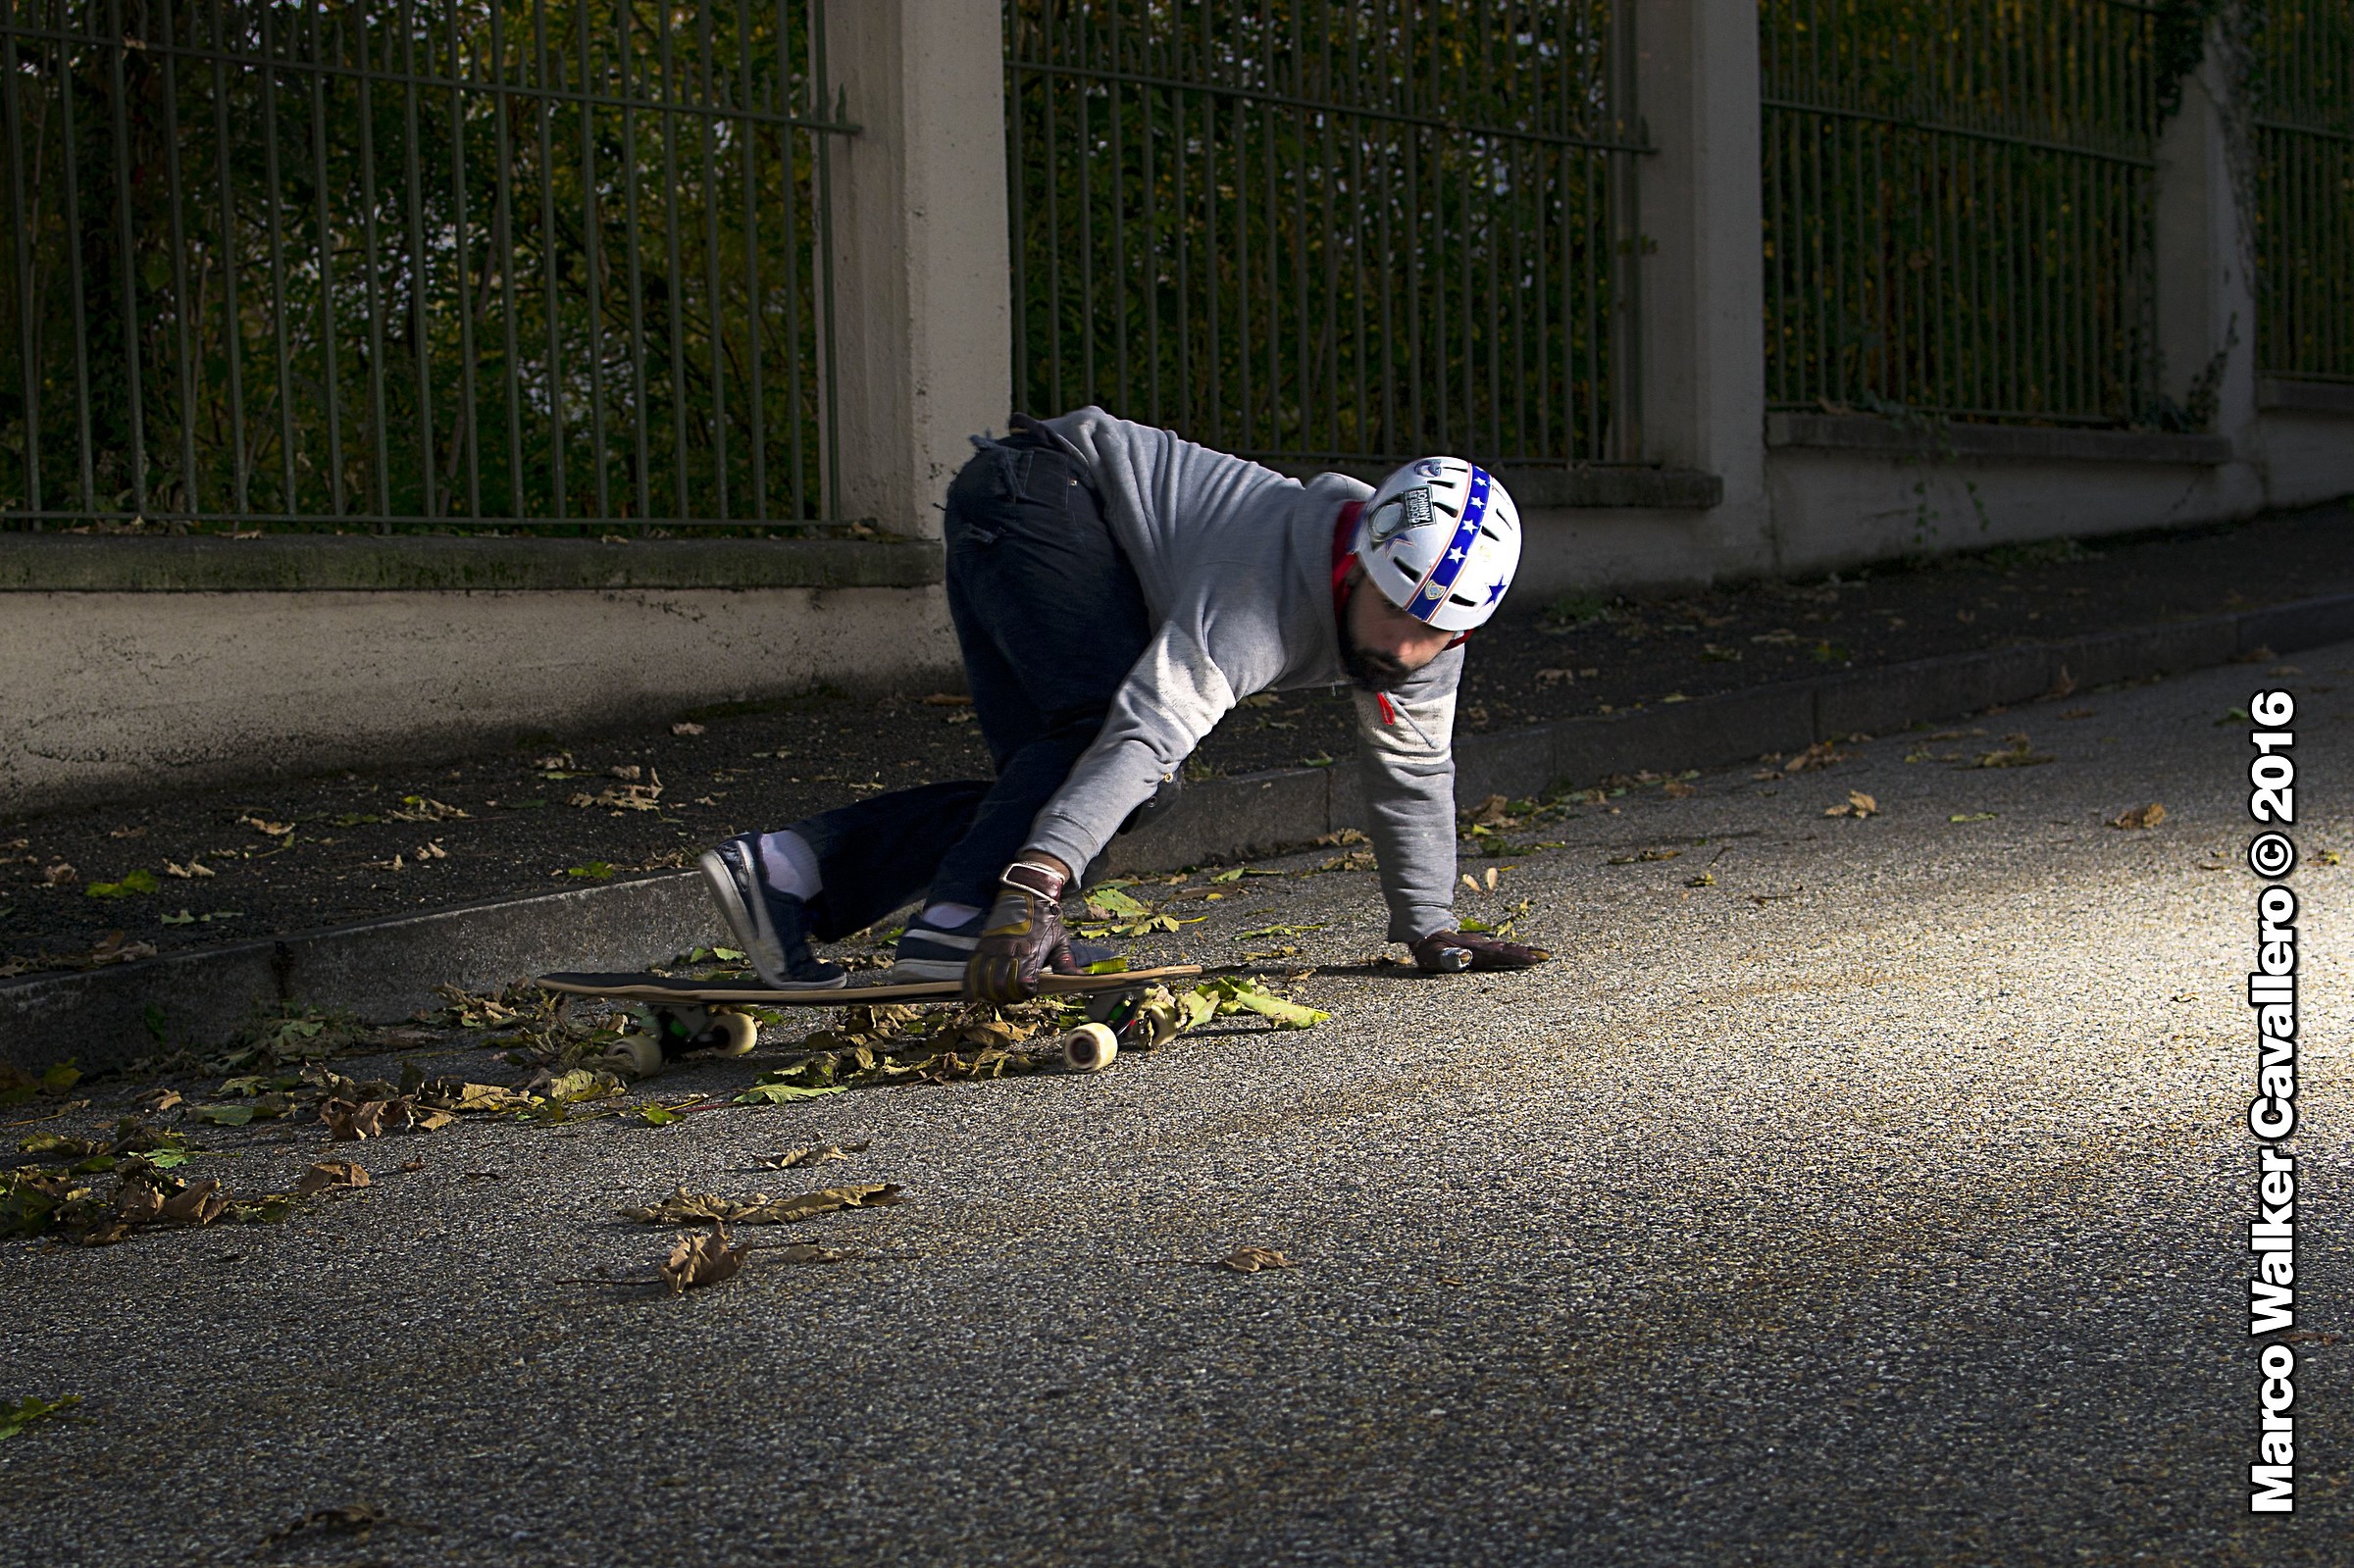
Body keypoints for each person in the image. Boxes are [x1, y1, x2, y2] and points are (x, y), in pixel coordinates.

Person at [696, 406, 1552, 1002]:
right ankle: (960, 920)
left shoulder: (1439, 626)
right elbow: (1142, 733)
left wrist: (1430, 922)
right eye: (1399, 616)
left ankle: (787, 874)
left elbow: (1411, 770)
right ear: (1359, 560)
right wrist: (1037, 884)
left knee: (1062, 785)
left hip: (1038, 512)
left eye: (1438, 635)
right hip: (1039, 495)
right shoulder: (1264, 590)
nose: (1408, 651)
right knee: (1111, 754)